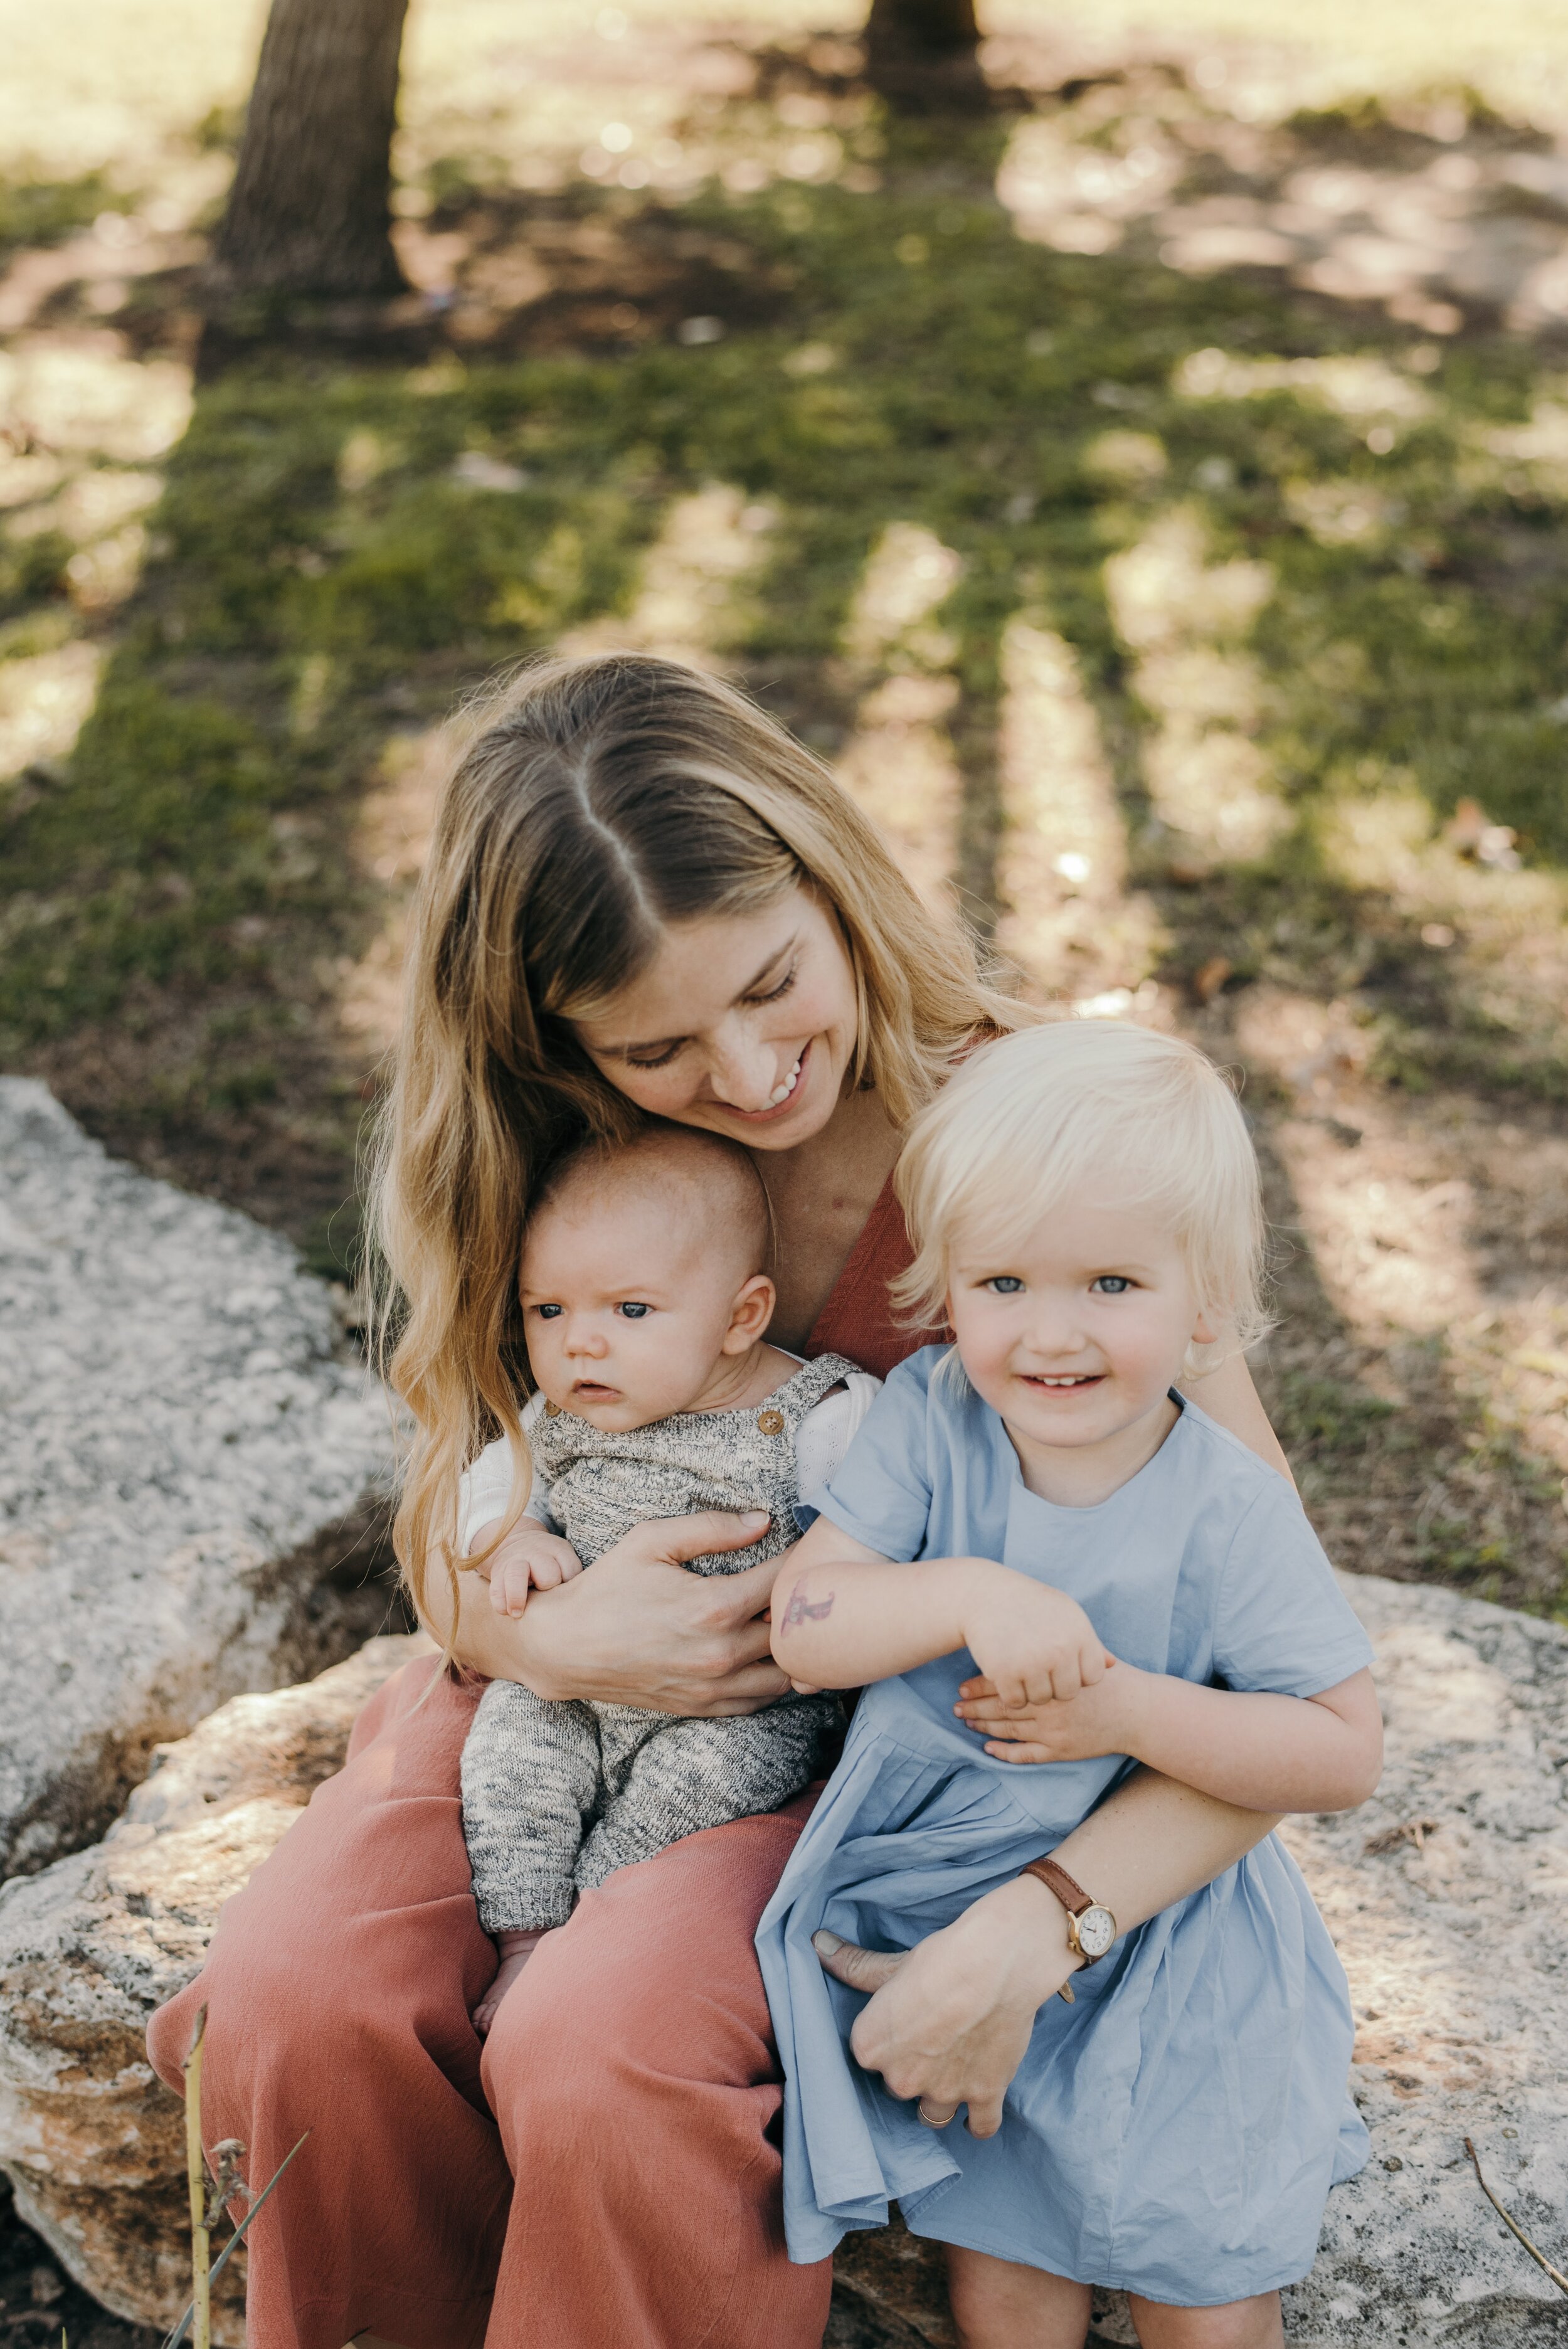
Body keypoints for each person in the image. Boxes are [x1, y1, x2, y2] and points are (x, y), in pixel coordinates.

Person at [147, 652, 1306, 2349]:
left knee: (602, 2049)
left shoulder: (1038, 1146)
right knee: (294, 2000)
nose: (756, 1071)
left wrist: (1049, 1921)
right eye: (660, 1043)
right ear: (557, 1042)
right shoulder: (560, 1160)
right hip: (540, 1700)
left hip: (866, 1753)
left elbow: (1275, 1659)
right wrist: (543, 1636)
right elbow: (460, 1512)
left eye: (773, 985)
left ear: (830, 881)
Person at [763, 1021, 1383, 2349]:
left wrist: (1126, 1714)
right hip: (953, 1922)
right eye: (1001, 1283)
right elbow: (807, 1621)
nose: (1050, 1335)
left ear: (1203, 1304)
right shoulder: (936, 1421)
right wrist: (965, 1592)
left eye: (1109, 1282)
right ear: (945, 1286)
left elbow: (1339, 1749)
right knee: (1008, 2297)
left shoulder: (1224, 1507)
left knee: (1204, 2301)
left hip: (1179, 1964)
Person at [457, 1121, 872, 2035]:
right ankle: (525, 1934)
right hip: (575, 1683)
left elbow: (891, 1522)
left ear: (741, 1316)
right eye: (549, 1310)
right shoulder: (557, 1415)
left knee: (687, 1799)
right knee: (508, 1755)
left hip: (742, 1706)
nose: (582, 1347)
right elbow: (491, 1481)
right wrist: (510, 1534)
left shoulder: (817, 1417)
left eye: (630, 1311)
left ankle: (593, 1922)